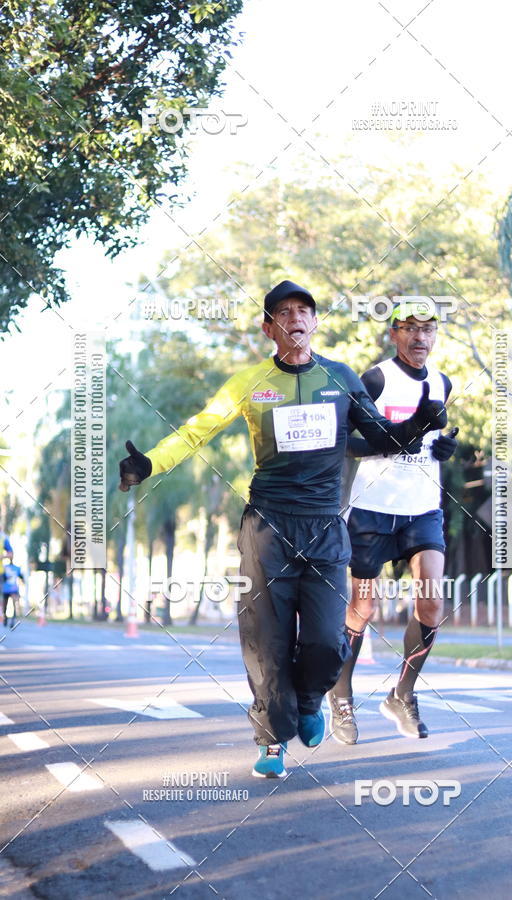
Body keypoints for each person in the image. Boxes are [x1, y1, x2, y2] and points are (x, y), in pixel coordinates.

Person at [118, 281, 447, 777]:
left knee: (324, 639)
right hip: (267, 526)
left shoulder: (339, 378)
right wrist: (150, 464)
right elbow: (197, 431)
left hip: (325, 527)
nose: (295, 318)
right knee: (265, 639)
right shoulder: (249, 382)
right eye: (284, 312)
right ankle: (272, 741)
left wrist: (419, 423)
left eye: (304, 311)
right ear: (269, 327)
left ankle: (311, 700)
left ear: (314, 323)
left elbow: (381, 437)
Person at [328, 299, 458, 744]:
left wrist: (444, 450)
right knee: (364, 606)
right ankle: (341, 696)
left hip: (423, 508)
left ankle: (402, 694)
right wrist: (395, 444)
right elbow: (347, 443)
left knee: (432, 602)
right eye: (410, 329)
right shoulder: (376, 378)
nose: (420, 337)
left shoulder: (443, 382)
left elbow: (435, 438)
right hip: (373, 509)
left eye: (428, 329)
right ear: (394, 333)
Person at [2, 558, 24, 629]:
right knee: (8, 604)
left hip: (11, 589)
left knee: (11, 604)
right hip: (9, 589)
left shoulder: (6, 567)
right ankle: (7, 619)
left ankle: (10, 620)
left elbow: (2, 577)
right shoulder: (14, 568)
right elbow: (21, 576)